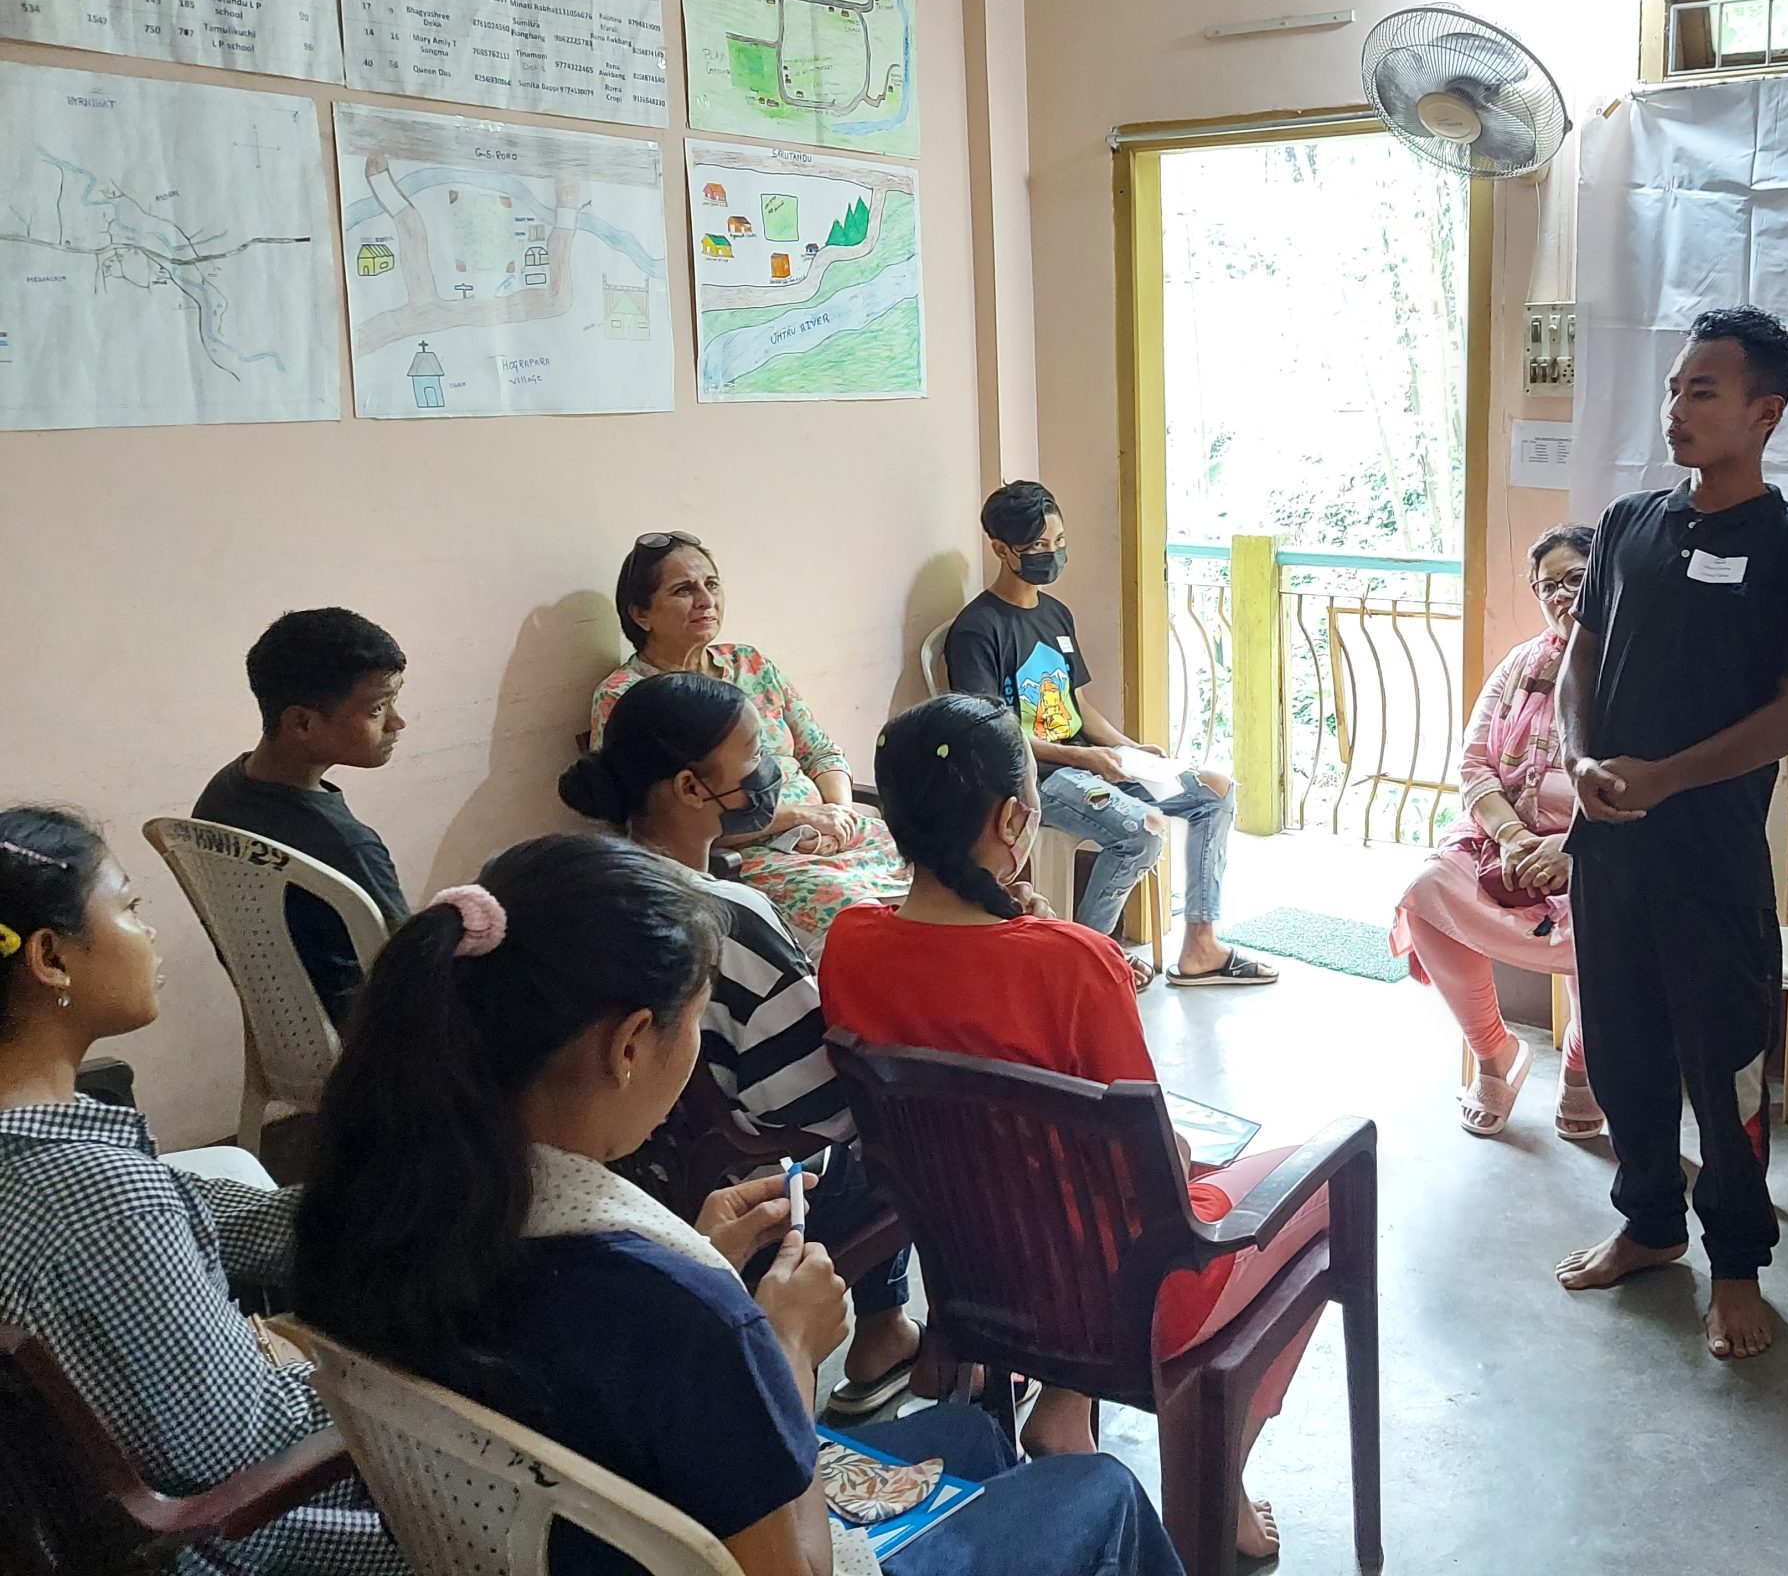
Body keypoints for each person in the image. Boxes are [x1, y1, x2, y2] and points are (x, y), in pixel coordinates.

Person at [293, 833, 1185, 1576]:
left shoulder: (364, 1209)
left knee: (969, 1440)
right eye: (699, 1019)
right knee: (1095, 1488)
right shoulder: (688, 1318)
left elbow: (603, 1369)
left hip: (571, 1542)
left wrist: (693, 1261)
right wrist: (783, 1348)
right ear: (631, 1045)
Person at [821, 694, 1326, 1561]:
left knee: (1038, 1183)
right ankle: (1221, 1477)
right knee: (1317, 1187)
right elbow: (1153, 1165)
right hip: (1118, 1297)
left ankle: (1062, 1408)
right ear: (1019, 817)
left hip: (965, 1269)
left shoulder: (850, 941)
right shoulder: (1072, 963)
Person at [0, 806, 406, 1575]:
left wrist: (410, 1208)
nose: (146, 933)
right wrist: (408, 1381)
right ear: (51, 957)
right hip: (232, 1538)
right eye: (129, 907)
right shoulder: (94, 1199)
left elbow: (209, 1219)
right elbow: (248, 1445)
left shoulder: (55, 1138)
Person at [1554, 306, 1788, 1363]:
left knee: (1722, 1065)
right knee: (1623, 1048)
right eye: (1675, 389)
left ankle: (1735, 1265)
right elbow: (1578, 660)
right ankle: (1647, 1225)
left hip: (1711, 859)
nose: (1677, 410)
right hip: (1609, 852)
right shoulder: (1629, 522)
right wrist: (1580, 762)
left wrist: (1664, 778)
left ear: (1765, 413)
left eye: (1704, 393)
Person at [559, 670, 924, 1425]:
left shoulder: (585, 880)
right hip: (749, 1189)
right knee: (914, 1129)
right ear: (693, 789)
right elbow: (822, 1107)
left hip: (642, 1168)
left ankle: (886, 1332)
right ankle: (890, 1333)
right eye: (756, 757)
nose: (769, 776)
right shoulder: (732, 918)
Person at [943, 480, 1273, 989]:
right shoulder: (976, 630)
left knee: (1215, 791)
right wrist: (1088, 760)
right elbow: (993, 734)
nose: (1052, 556)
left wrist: (1124, 746)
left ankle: (1201, 947)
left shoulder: (1055, 615)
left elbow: (1075, 703)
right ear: (1001, 550)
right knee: (1141, 829)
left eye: (1058, 543)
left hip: (1088, 762)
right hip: (1034, 779)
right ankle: (1087, 961)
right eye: (1037, 548)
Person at [591, 531, 902, 948]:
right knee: (866, 916)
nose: (705, 600)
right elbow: (663, 820)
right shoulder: (631, 698)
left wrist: (837, 816)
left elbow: (819, 751)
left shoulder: (748, 663)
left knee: (947, 866)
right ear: (641, 614)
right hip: (747, 856)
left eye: (712, 584)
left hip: (832, 834)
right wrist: (801, 817)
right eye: (684, 590)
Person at [1392, 523, 1602, 1139]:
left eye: (1575, 580)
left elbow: (1640, 786)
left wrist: (1572, 847)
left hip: (1596, 849)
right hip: (1504, 841)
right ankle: (1494, 1054)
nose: (1561, 597)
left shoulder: (1637, 672)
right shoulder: (1520, 665)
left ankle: (1584, 1064)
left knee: (1621, 919)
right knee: (1428, 892)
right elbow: (1475, 764)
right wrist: (1512, 836)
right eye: (1547, 587)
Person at [194, 607, 411, 1022]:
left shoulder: (223, 792)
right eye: (378, 708)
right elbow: (419, 974)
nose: (397, 723)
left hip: (293, 1030)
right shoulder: (347, 846)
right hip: (371, 1044)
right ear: (303, 723)